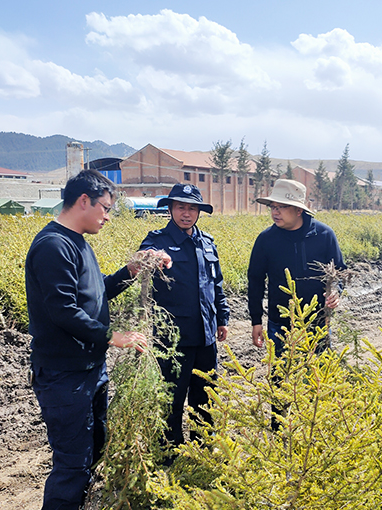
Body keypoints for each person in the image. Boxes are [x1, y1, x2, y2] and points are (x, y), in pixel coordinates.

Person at [25, 169, 170, 510]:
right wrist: (113, 336)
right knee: (72, 461)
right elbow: (63, 311)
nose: (108, 216)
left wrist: (129, 272)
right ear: (84, 201)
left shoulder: (79, 244)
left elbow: (94, 293)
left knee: (94, 448)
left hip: (89, 370)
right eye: (106, 208)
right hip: (63, 375)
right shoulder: (53, 246)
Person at [139, 183, 229, 451]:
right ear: (170, 209)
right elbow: (142, 258)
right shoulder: (157, 241)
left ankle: (203, 450)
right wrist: (151, 257)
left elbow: (217, 284)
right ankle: (170, 452)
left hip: (205, 337)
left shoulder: (207, 242)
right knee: (172, 400)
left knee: (205, 397)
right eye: (181, 207)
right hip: (173, 340)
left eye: (192, 208)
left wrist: (222, 317)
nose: (186, 214)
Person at [248, 179, 346, 352]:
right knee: (281, 376)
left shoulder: (324, 235)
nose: (275, 212)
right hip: (280, 325)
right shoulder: (266, 240)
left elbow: (339, 271)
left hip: (318, 324)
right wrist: (256, 320)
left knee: (318, 375)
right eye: (273, 207)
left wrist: (336, 291)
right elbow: (255, 280)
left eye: (282, 207)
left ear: (299, 209)